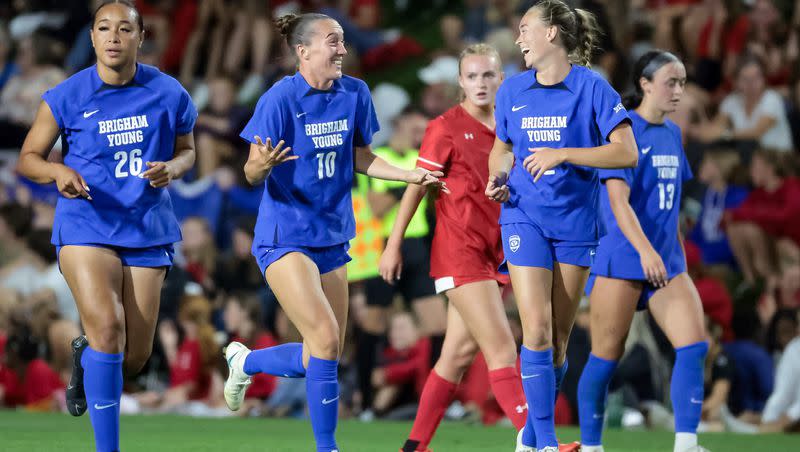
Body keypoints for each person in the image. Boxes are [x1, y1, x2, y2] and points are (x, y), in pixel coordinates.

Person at [221, 13, 443, 452]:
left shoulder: (355, 93)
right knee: (323, 338)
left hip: (333, 236)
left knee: (324, 351)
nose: (342, 49)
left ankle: (246, 361)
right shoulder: (280, 99)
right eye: (332, 41)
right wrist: (259, 167)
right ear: (303, 51)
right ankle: (327, 447)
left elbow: (360, 157)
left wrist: (406, 175)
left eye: (342, 41)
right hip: (285, 236)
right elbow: (250, 169)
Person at [14, 1, 197, 451]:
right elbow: (28, 159)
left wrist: (172, 168)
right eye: (103, 28)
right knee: (109, 333)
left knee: (132, 358)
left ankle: (86, 357)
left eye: (124, 29)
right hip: (86, 224)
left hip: (147, 226)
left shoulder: (169, 92)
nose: (114, 36)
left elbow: (188, 149)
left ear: (140, 37)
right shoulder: (66, 96)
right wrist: (58, 173)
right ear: (93, 38)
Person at [381, 43, 553, 452]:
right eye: (472, 76)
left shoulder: (512, 125)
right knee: (502, 348)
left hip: (495, 252)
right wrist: (393, 243)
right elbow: (418, 188)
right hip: (459, 252)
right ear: (460, 82)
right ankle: (537, 442)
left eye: (488, 75)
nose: (480, 83)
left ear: (501, 79)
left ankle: (414, 445)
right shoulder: (444, 127)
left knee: (456, 356)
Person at [486, 1, 638, 450]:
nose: (518, 39)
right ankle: (548, 444)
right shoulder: (512, 89)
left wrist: (565, 153)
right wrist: (497, 176)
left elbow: (626, 152)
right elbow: (502, 147)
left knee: (557, 341)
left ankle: (530, 438)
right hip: (522, 215)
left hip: (574, 222)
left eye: (525, 29)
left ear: (552, 33)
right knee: (535, 328)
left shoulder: (593, 88)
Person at [576, 50, 709, 452]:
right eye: (671, 82)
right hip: (621, 258)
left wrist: (673, 253)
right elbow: (618, 203)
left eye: (683, 82)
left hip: (666, 262)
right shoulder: (623, 130)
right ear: (645, 84)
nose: (679, 90)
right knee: (605, 358)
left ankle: (686, 444)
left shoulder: (671, 133)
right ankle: (592, 445)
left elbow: (669, 206)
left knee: (694, 345)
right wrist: (647, 252)